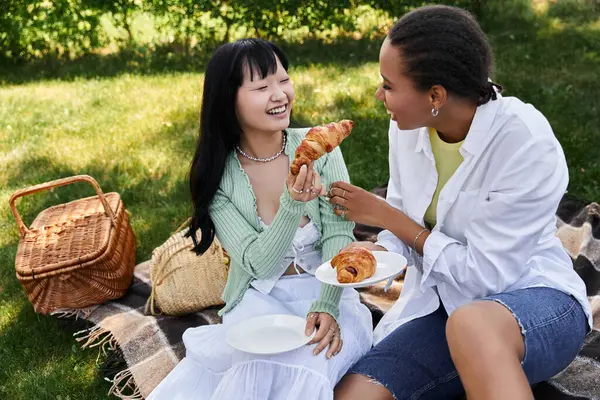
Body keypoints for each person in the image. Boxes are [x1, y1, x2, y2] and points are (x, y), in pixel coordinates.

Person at [329, 5, 592, 400]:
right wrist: (379, 249)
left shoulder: (525, 141)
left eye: (388, 84)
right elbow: (401, 221)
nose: (378, 94)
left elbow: (487, 277)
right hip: (443, 310)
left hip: (534, 301)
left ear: (435, 95)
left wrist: (395, 222)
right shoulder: (406, 129)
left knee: (472, 325)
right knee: (355, 394)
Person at [147, 38, 373, 400]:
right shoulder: (219, 177)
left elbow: (337, 233)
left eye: (283, 81)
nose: (279, 94)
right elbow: (259, 265)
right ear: (228, 100)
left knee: (309, 363)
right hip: (259, 300)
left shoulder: (321, 148)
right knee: (260, 367)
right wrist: (292, 204)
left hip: (328, 291)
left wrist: (328, 303)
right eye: (261, 86)